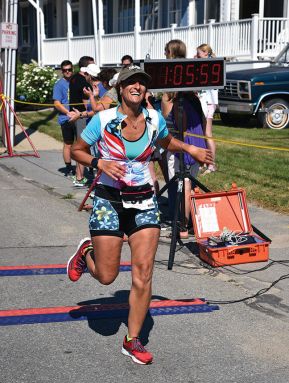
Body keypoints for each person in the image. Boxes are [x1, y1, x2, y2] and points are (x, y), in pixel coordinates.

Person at [67, 66, 213, 365]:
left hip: (144, 200)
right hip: (109, 201)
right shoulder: (103, 120)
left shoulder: (153, 118)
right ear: (120, 88)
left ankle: (132, 339)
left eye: (142, 84)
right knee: (107, 277)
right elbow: (79, 150)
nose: (137, 86)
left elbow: (165, 142)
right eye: (131, 82)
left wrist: (191, 149)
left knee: (143, 274)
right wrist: (100, 163)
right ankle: (88, 252)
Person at [162, 39, 207, 237]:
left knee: (182, 182)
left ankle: (183, 224)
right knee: (191, 180)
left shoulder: (169, 93)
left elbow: (166, 118)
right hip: (197, 139)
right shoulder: (193, 91)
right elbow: (204, 119)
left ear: (169, 53)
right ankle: (188, 222)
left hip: (179, 142)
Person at [69, 56, 95, 187]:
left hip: (74, 115)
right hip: (81, 117)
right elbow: (87, 104)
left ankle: (79, 174)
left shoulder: (74, 78)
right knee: (82, 147)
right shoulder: (84, 82)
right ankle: (79, 177)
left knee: (80, 145)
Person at [196, 43, 218, 174]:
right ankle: (203, 162)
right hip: (203, 101)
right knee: (202, 133)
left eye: (199, 54)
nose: (197, 57)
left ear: (205, 53)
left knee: (208, 134)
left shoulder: (210, 66)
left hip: (209, 103)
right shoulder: (202, 65)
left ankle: (212, 164)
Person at [53, 60, 77, 176]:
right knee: (68, 143)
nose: (67, 72)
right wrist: (68, 113)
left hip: (79, 116)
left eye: (69, 69)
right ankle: (68, 167)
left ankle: (84, 167)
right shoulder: (59, 85)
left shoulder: (77, 81)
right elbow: (57, 103)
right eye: (64, 70)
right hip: (66, 118)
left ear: (73, 69)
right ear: (62, 71)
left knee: (83, 143)